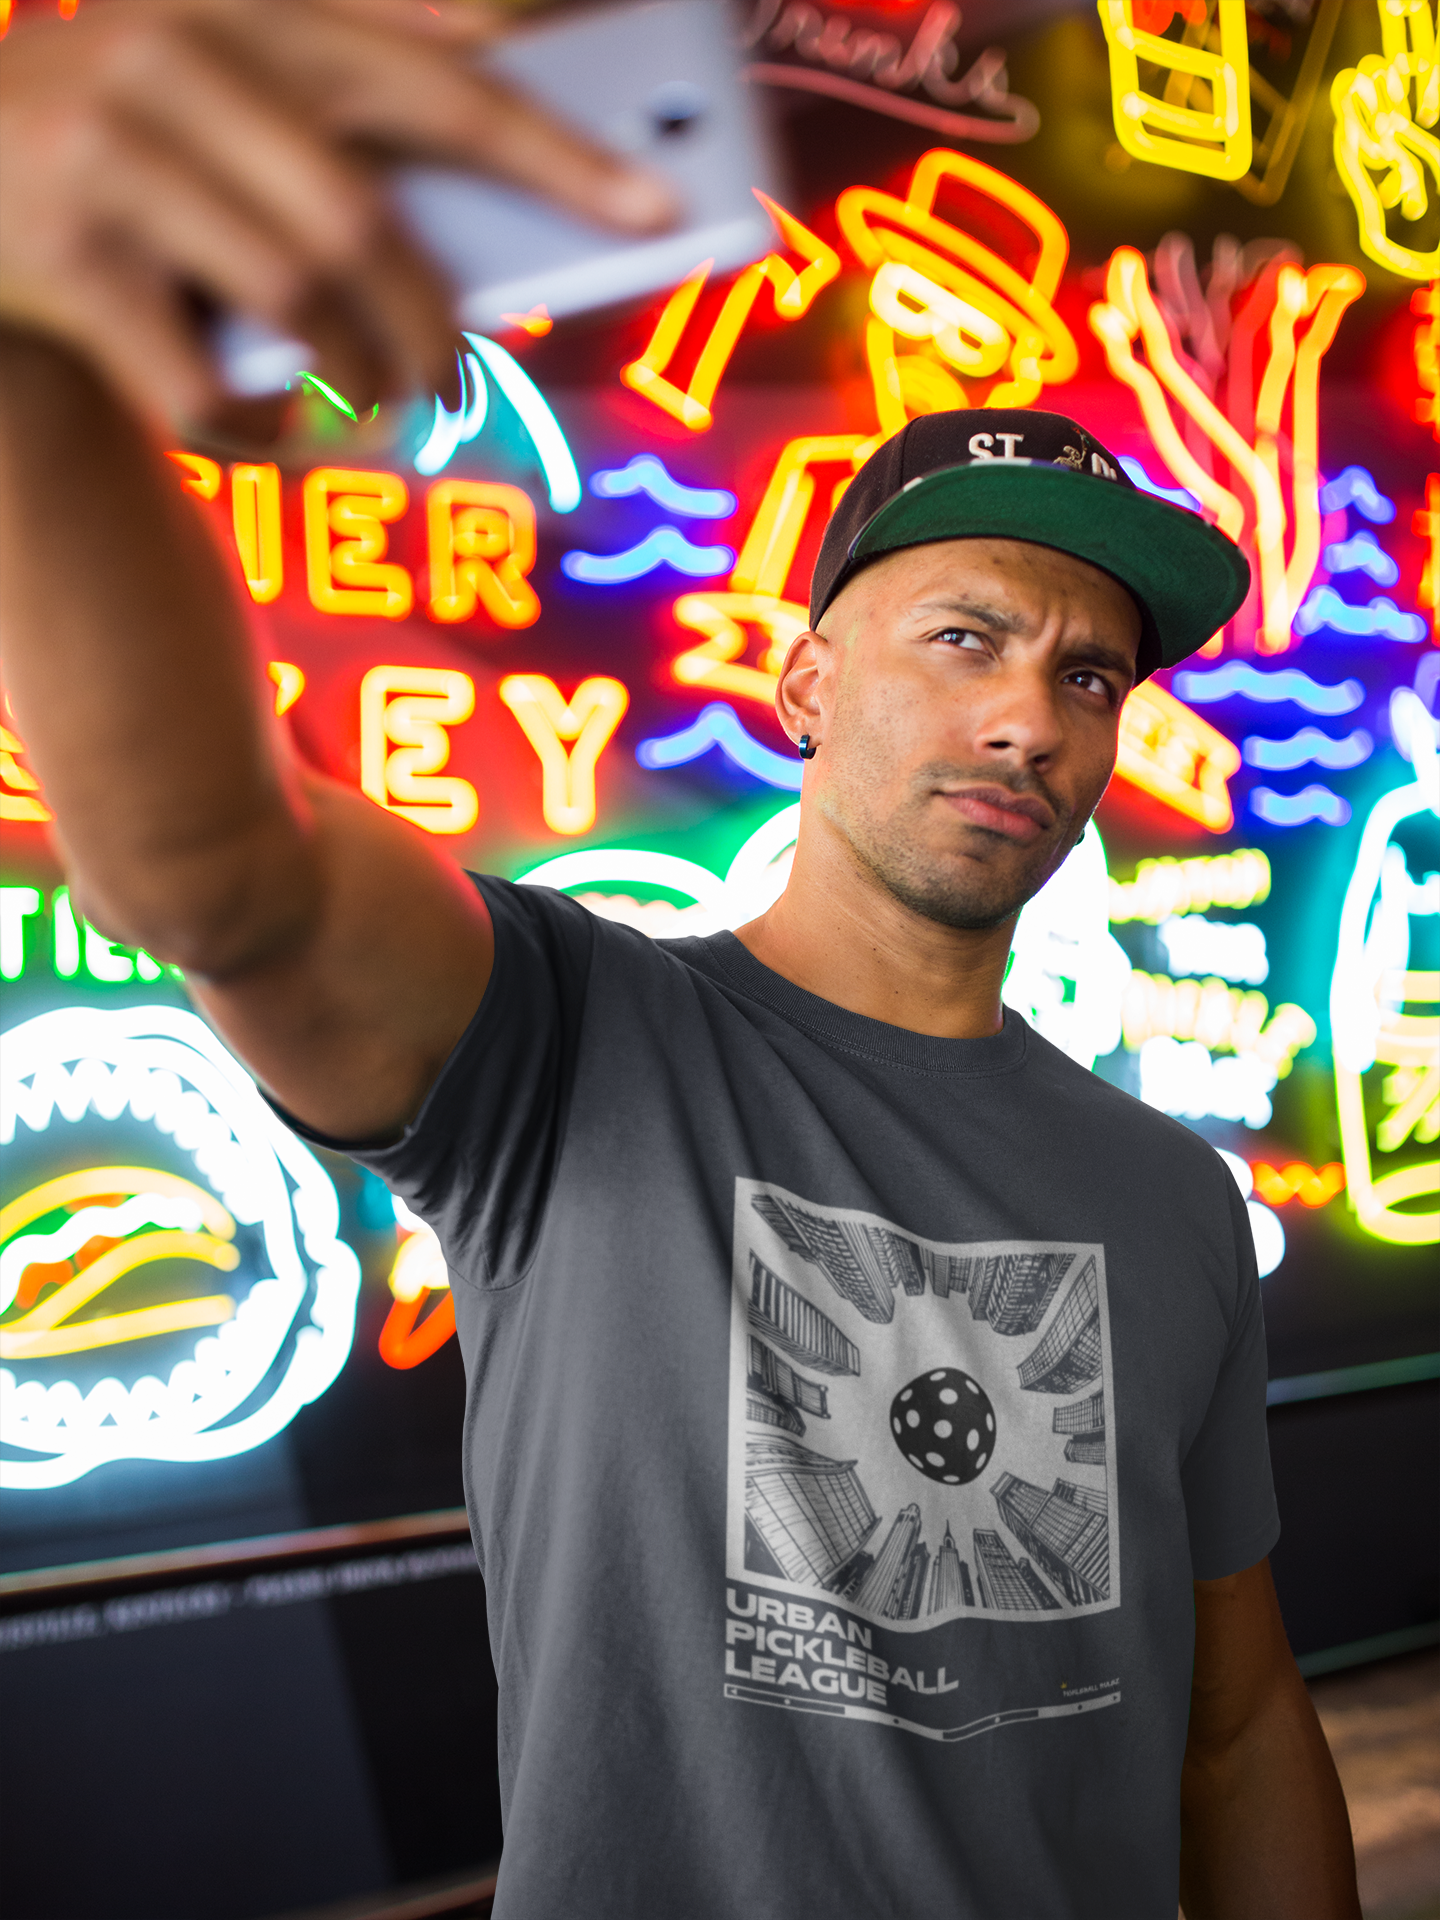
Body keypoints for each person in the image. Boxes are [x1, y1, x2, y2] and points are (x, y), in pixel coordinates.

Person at [0, 3, 1360, 1914]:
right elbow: (223, 867)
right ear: (806, 679)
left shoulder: (1165, 1198)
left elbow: (1233, 1728)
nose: (1031, 720)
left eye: (1088, 674)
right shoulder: (569, 1041)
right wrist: (34, 364)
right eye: (962, 637)